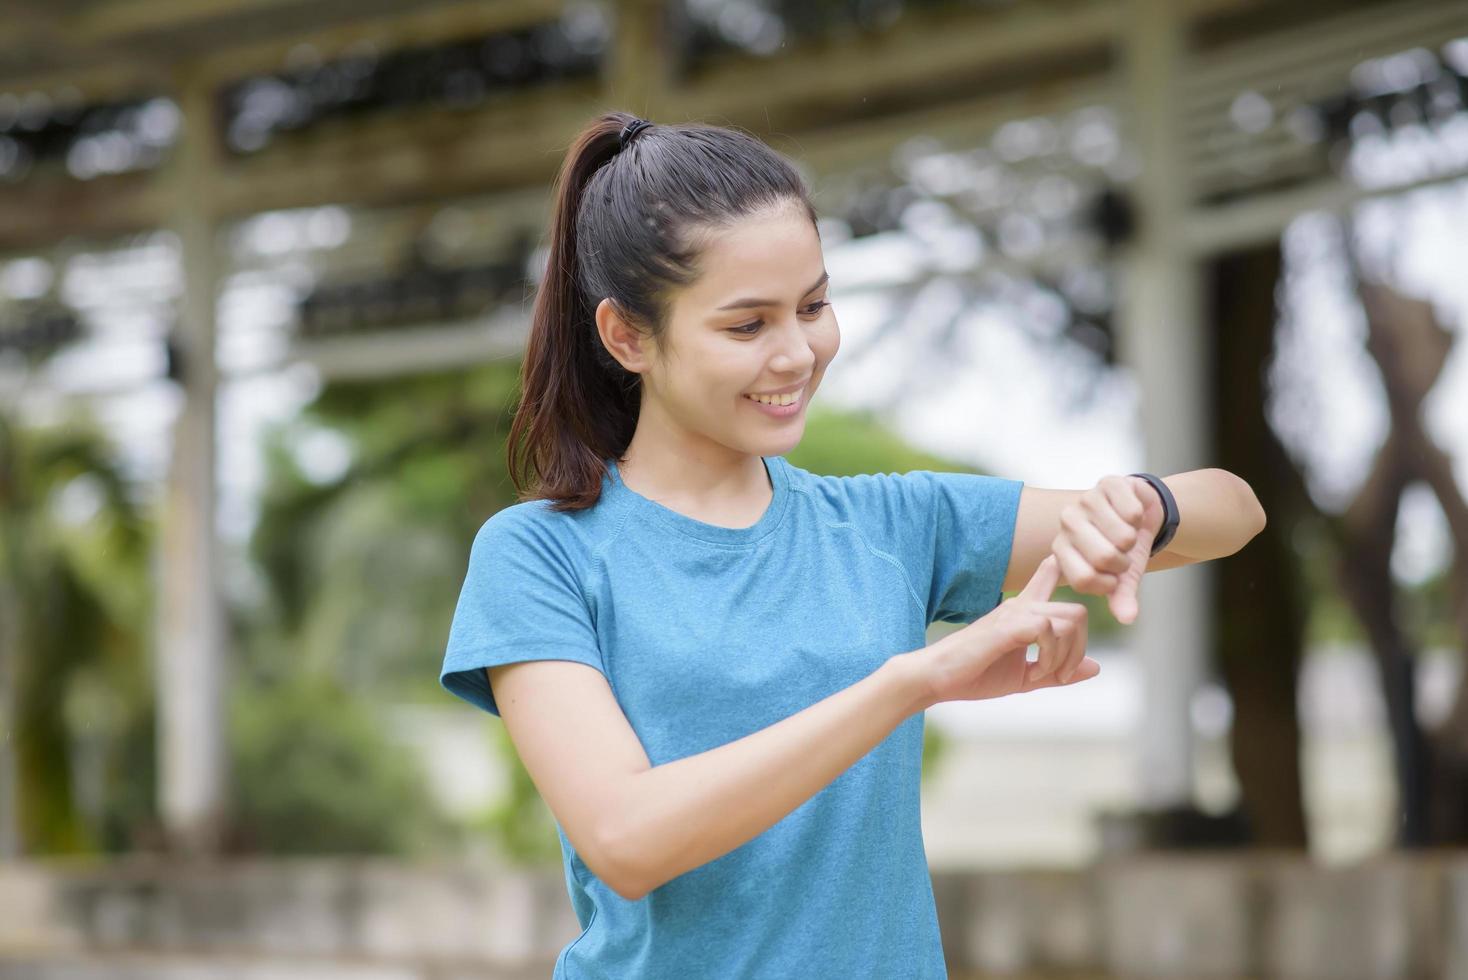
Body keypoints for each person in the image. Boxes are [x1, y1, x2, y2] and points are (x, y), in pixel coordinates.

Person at [439, 111, 1266, 979]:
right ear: (627, 336)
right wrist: (910, 683)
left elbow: (1235, 511)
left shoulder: (888, 526)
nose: (798, 353)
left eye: (814, 305)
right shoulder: (541, 555)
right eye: (747, 325)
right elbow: (627, 838)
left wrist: (1139, 508)